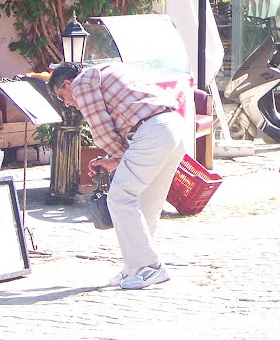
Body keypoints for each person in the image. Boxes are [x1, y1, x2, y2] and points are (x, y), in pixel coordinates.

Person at [49, 61, 185, 290]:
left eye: (62, 96)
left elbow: (101, 131)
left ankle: (149, 266)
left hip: (150, 132)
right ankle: (137, 266)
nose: (68, 104)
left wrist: (118, 155)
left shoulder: (81, 84)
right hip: (171, 127)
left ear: (67, 83)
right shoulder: (110, 69)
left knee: (119, 197)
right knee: (146, 202)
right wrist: (118, 160)